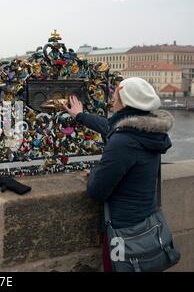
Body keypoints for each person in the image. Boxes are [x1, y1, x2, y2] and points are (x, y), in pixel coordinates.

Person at [64, 77, 174, 272]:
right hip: (147, 222)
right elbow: (110, 127)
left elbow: (97, 190)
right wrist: (81, 116)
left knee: (115, 267)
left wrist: (96, 171)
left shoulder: (124, 141)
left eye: (115, 97)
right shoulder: (150, 131)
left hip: (122, 230)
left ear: (125, 102)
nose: (112, 102)